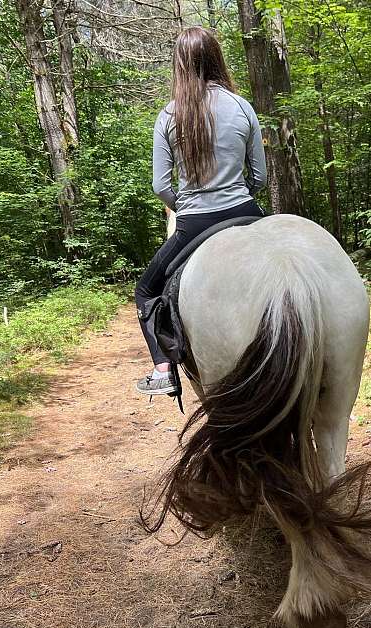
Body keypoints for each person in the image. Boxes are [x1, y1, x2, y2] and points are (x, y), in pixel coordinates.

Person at [135, 26, 268, 397]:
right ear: (216, 58)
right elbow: (260, 175)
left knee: (146, 291)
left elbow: (161, 185)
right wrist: (240, 194)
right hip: (245, 211)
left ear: (180, 64)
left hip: (194, 222)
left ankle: (163, 369)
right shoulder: (242, 107)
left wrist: (186, 206)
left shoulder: (169, 115)